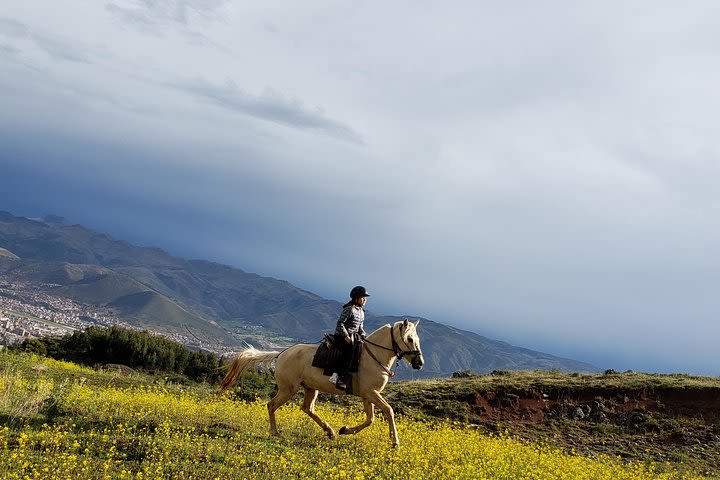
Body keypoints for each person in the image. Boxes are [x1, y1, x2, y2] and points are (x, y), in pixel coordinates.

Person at [329, 285, 369, 390]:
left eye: (365, 298)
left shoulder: (361, 312)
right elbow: (340, 323)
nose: (364, 300)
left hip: (354, 337)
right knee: (348, 352)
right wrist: (346, 336)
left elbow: (360, 327)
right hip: (342, 336)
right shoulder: (349, 309)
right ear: (356, 298)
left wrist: (364, 334)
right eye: (362, 297)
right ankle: (336, 375)